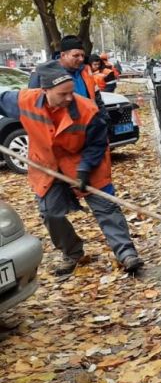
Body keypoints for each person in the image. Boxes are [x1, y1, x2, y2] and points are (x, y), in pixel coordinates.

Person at [0, 67, 144, 275]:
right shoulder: (24, 101)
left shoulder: (87, 110)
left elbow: (96, 145)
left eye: (71, 92)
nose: (70, 97)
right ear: (45, 90)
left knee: (106, 208)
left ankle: (127, 254)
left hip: (87, 163)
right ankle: (72, 252)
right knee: (50, 213)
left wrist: (84, 171)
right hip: (47, 166)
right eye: (63, 94)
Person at [30, 35, 107, 119]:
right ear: (63, 55)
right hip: (63, 127)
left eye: (82, 55)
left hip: (89, 124)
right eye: (76, 55)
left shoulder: (86, 71)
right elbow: (35, 105)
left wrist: (105, 121)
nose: (81, 59)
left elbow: (97, 99)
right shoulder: (44, 72)